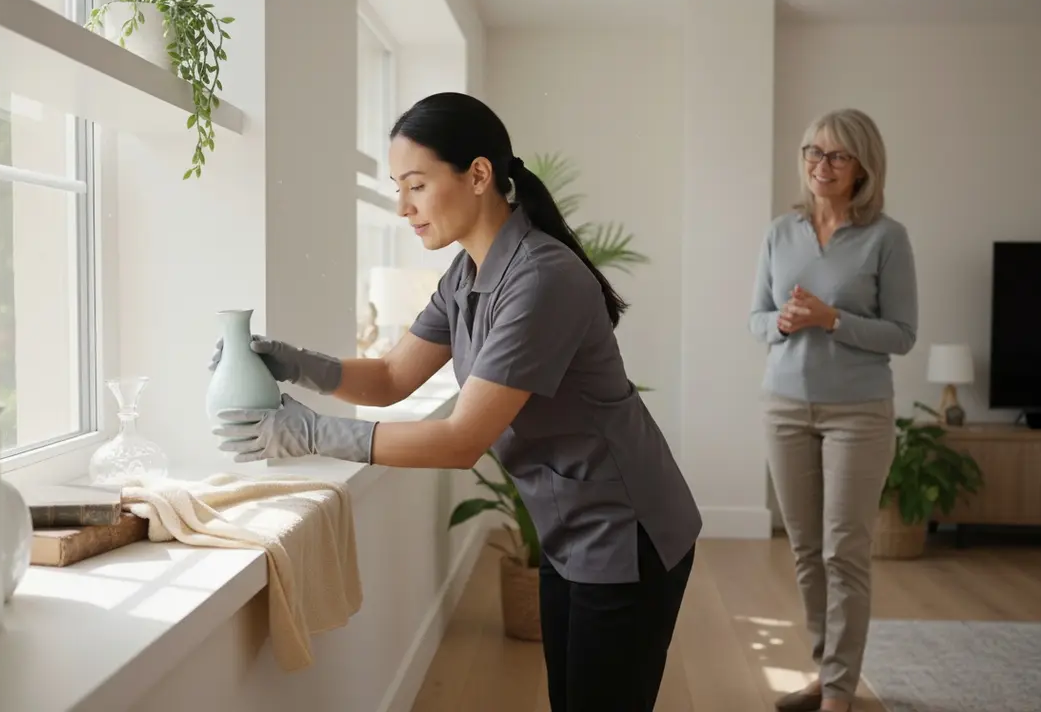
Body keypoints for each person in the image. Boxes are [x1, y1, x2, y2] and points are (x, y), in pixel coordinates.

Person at [209, 91, 702, 712]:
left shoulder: (541, 279)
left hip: (628, 528)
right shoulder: (466, 274)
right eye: (396, 186)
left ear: (478, 175)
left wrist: (310, 434)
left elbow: (461, 440)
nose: (402, 207)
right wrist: (293, 361)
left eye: (415, 185)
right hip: (569, 528)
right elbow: (391, 375)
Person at [749, 108, 917, 712]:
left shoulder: (886, 237)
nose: (821, 166)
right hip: (785, 407)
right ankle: (825, 671)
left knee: (843, 550)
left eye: (837, 156)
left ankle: (841, 692)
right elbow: (756, 318)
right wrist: (783, 321)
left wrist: (833, 320)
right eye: (812, 153)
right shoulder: (780, 231)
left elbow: (902, 334)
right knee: (803, 548)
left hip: (859, 412)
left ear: (862, 166)